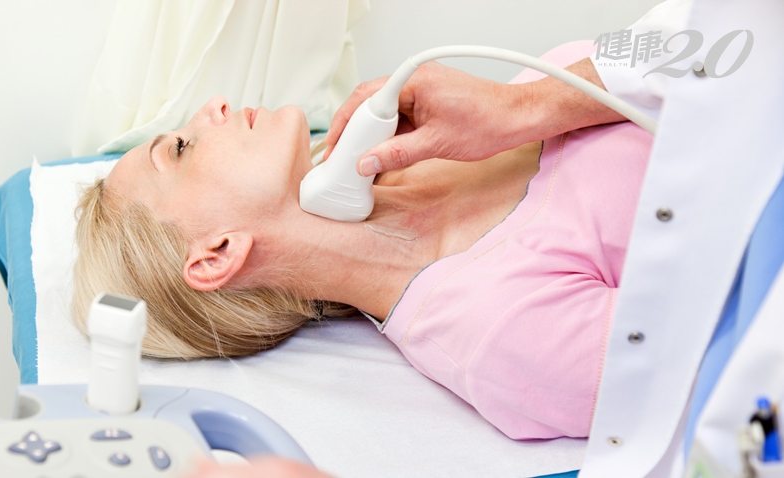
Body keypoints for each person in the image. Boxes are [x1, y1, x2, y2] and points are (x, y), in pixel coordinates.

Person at [72, 42, 653, 448]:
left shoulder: (437, 128)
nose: (213, 106)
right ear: (218, 252)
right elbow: (706, 378)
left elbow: (694, 48)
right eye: (180, 148)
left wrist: (529, 105)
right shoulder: (499, 330)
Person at [324, 0, 784, 476]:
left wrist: (526, 104)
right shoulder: (497, 324)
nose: (242, 105)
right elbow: (722, 352)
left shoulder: (489, 116)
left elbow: (731, 36)